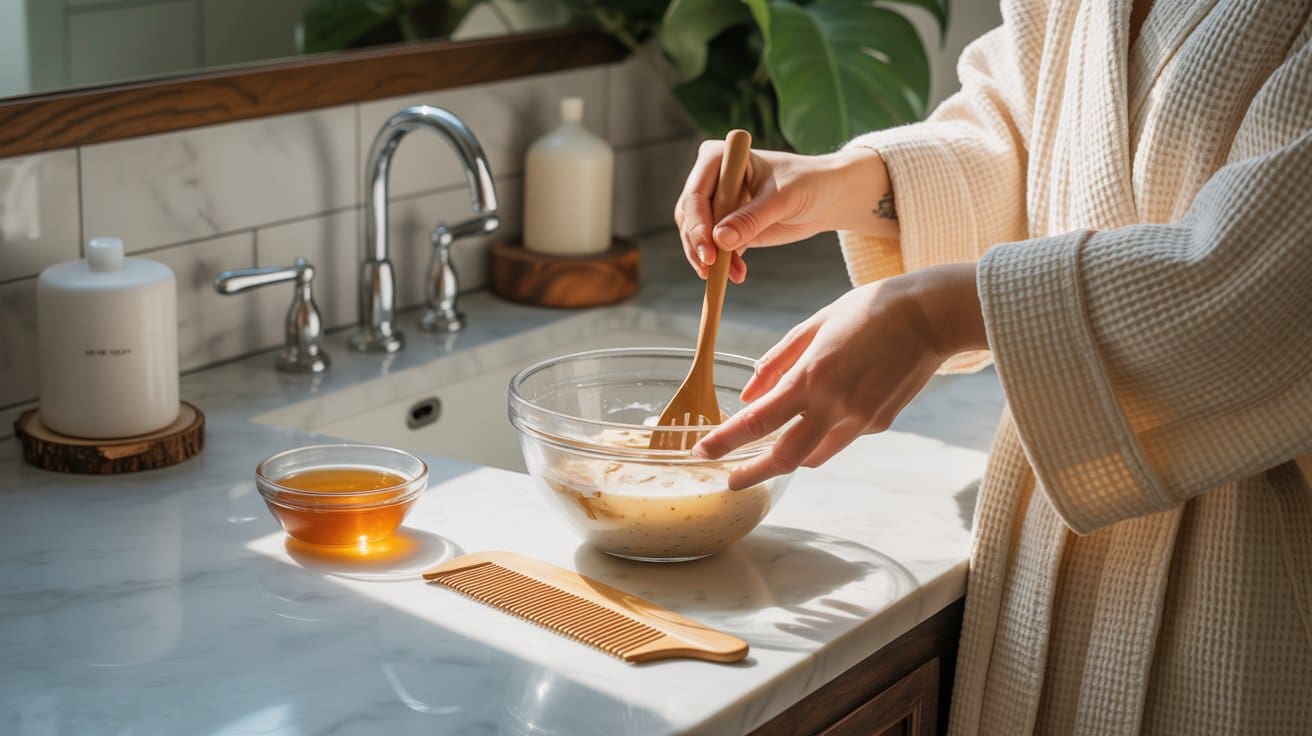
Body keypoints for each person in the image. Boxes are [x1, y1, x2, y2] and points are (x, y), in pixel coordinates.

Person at [676, 0, 1312, 733]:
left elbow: (1265, 290)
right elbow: (1029, 128)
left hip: (1255, 583)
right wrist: (844, 182)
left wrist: (933, 314)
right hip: (1053, 555)